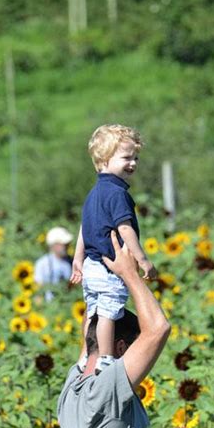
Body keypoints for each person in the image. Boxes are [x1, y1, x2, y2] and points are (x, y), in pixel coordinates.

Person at [57, 231, 170, 428]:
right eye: (133, 348)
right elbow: (157, 329)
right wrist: (129, 274)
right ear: (121, 347)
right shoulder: (106, 391)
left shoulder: (73, 384)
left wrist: (91, 257)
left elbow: (91, 333)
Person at [70, 124, 157, 374]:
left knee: (93, 311)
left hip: (91, 263)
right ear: (105, 160)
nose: (133, 163)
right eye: (127, 157)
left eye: (135, 157)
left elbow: (83, 229)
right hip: (109, 265)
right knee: (108, 312)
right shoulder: (117, 194)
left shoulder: (93, 194)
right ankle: (105, 358)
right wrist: (142, 260)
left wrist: (78, 258)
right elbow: (125, 229)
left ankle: (86, 355)